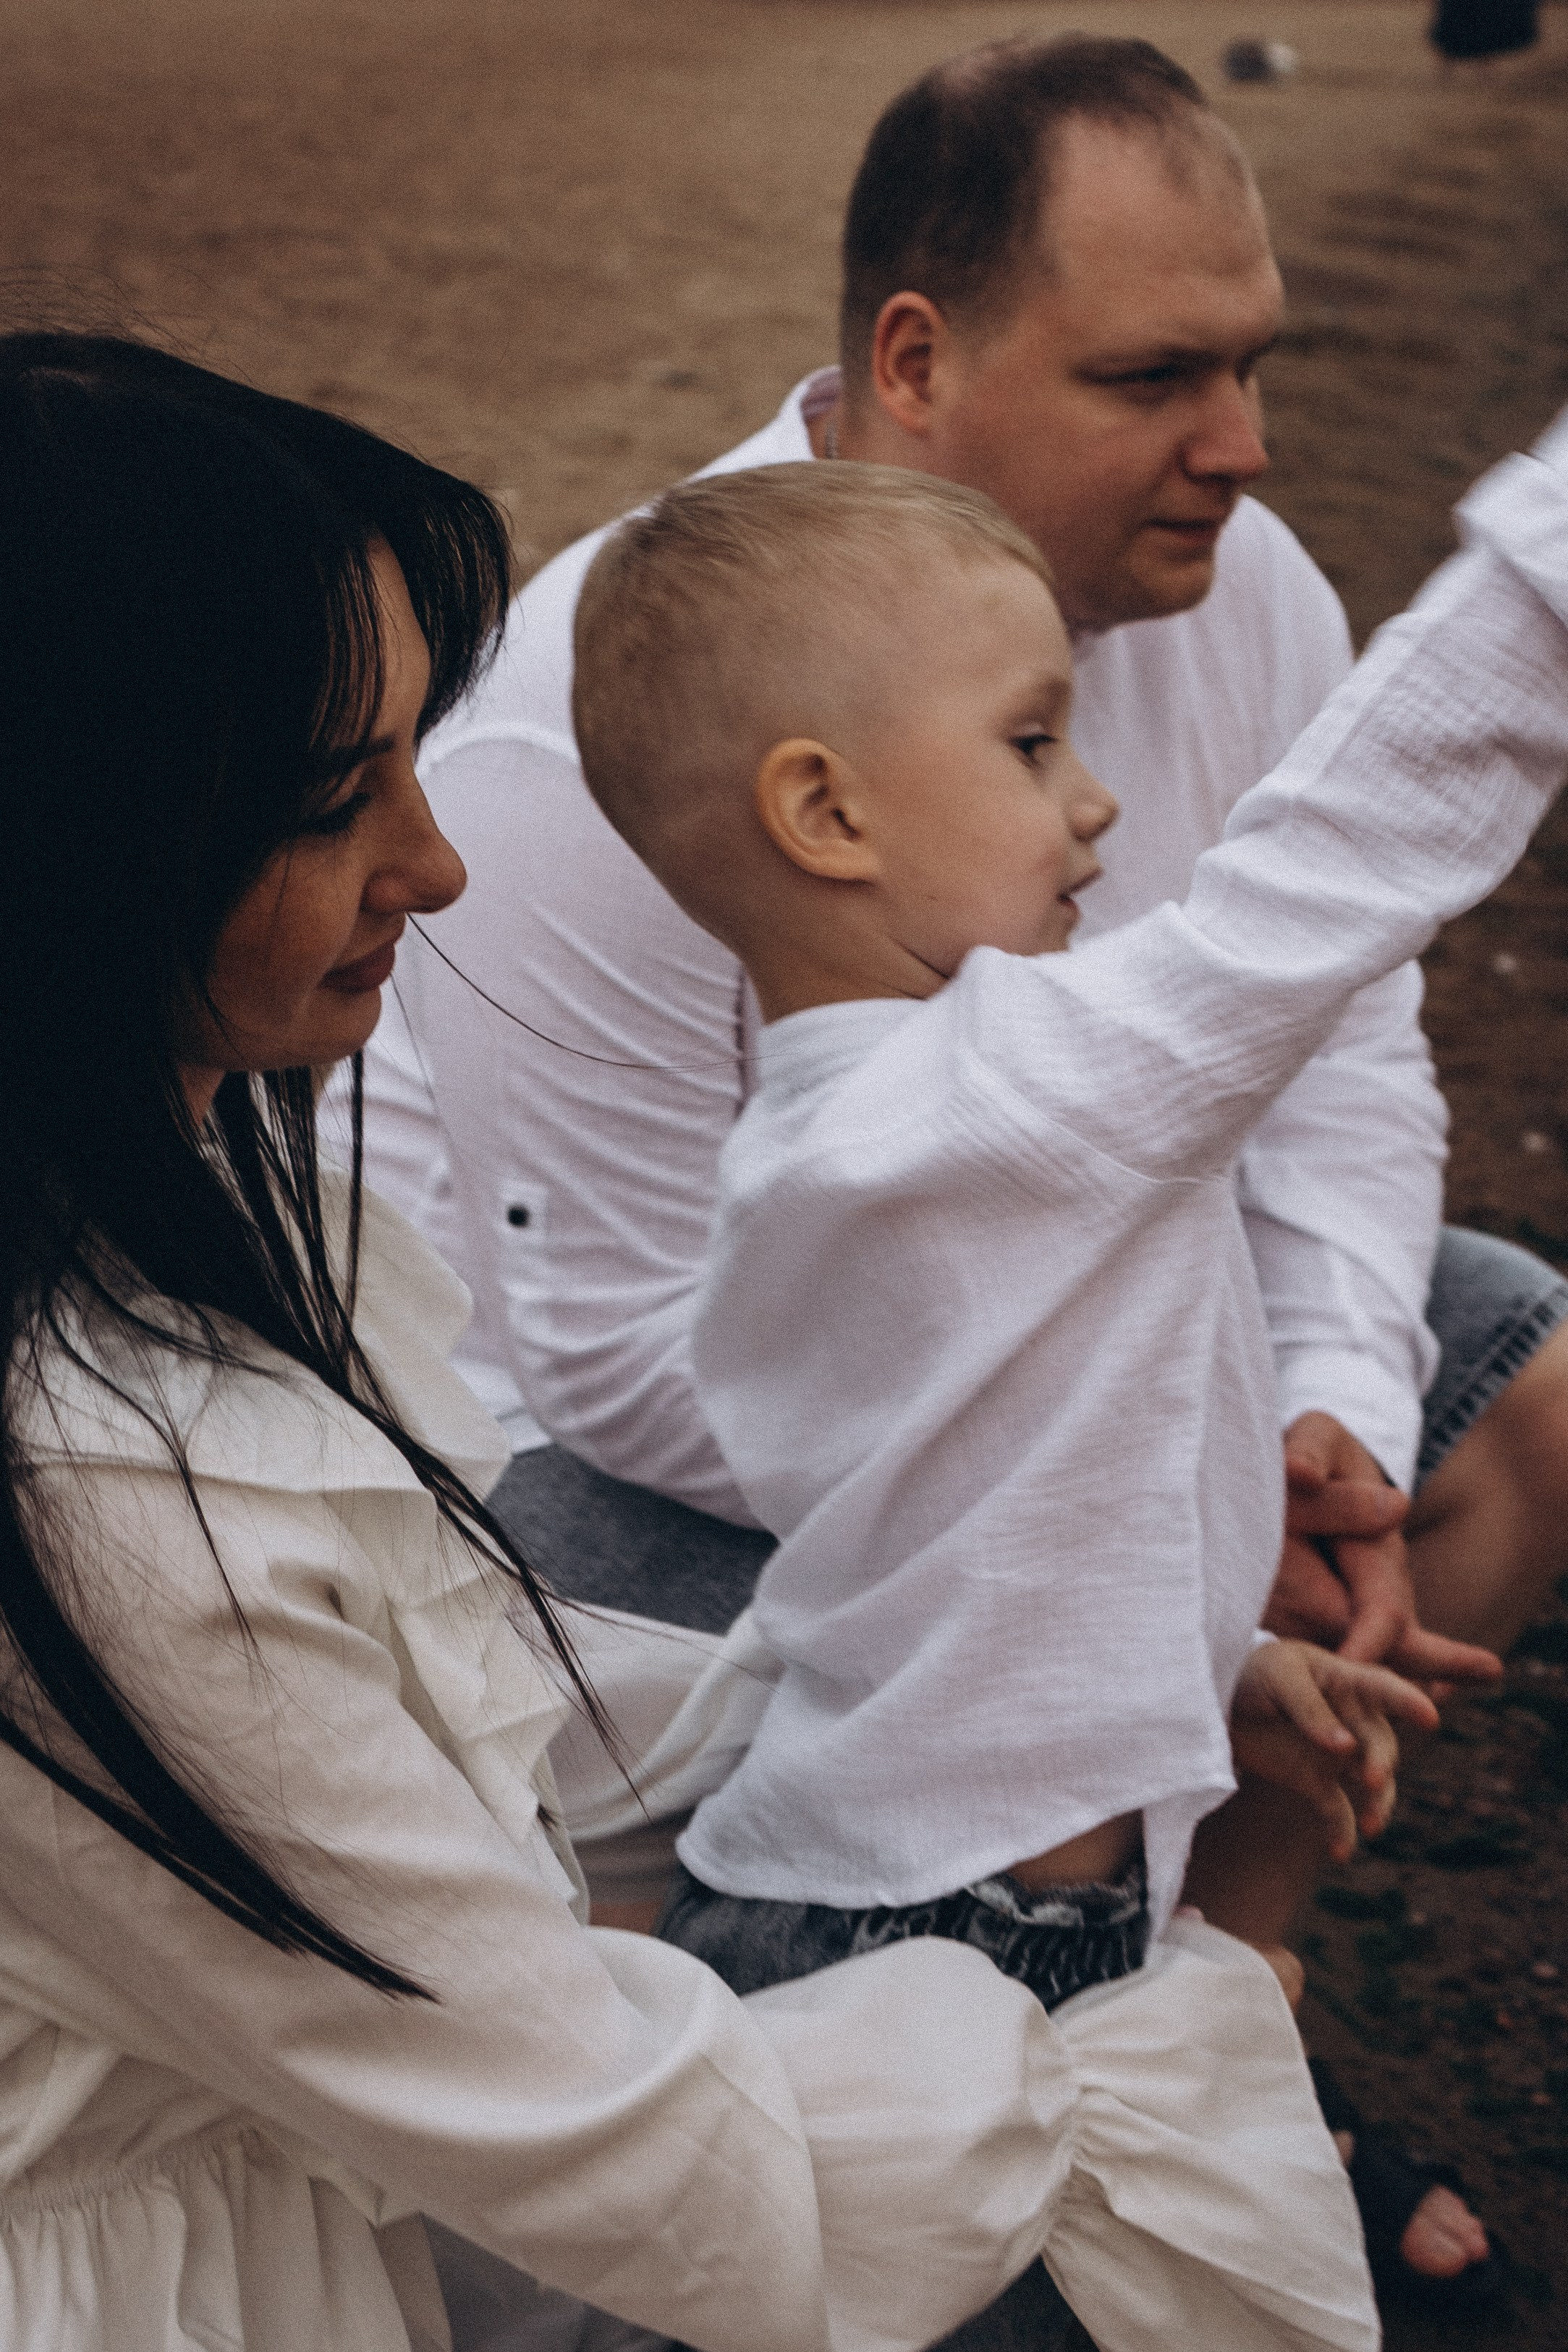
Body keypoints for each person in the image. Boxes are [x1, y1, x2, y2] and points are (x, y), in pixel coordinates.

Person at [351, 30, 1567, 2291]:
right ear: (918, 357)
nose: (1247, 445)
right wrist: (1165, 1533)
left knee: (1513, 1363)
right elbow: (620, 1362)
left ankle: (1213, 1994)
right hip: (596, 1500)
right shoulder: (615, 729)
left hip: (1024, 1437)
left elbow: (1337, 1055)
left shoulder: (1242, 596)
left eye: (1259, 363)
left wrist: (1312, 1411)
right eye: (1155, 376)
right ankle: (1147, 2023)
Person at [2, 329, 1260, 2352]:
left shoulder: (173, 1187)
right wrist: (1112, 2023)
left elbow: (446, 1686)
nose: (440, 860)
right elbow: (627, 2138)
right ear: (80, 848)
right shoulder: (99, 1498)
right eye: (342, 797)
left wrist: (1045, 1675)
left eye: (419, 754)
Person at [568, 438, 1568, 2333]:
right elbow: (1339, 861)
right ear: (827, 810)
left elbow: (974, 1539)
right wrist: (1543, 563)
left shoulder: (838, 1144)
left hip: (926, 1900)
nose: (1100, 803)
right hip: (934, 1956)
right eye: (1033, 743)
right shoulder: (995, 1098)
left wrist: (1212, 1661)